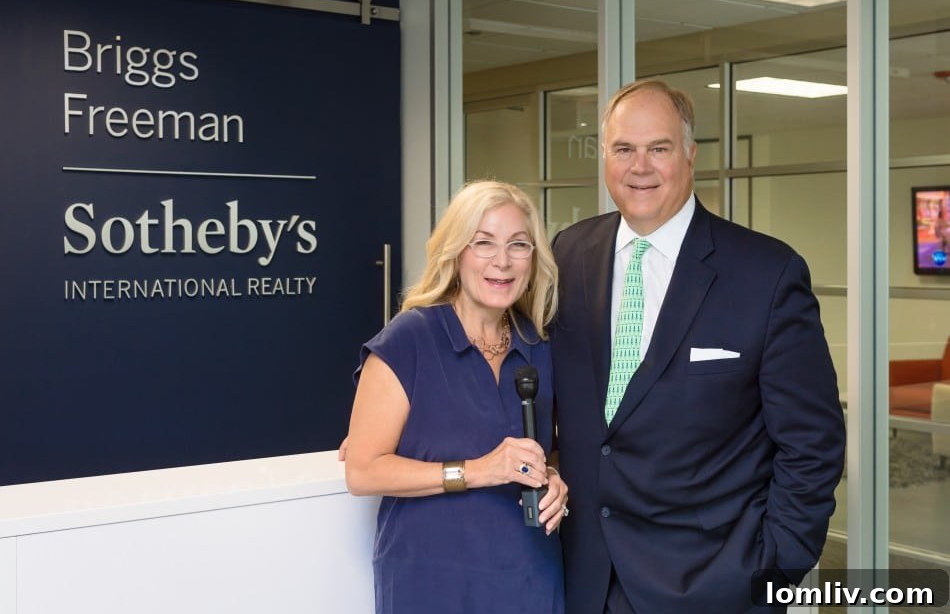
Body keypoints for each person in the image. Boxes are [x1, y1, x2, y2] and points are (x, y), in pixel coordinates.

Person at [550, 79, 846, 613]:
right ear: (605, 157)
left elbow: (813, 443)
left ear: (690, 155)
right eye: (623, 149)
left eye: (658, 148)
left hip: (713, 585)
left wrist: (770, 571)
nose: (640, 167)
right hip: (582, 579)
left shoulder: (766, 273)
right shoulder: (567, 255)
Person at [345, 179, 568, 613]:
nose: (502, 261)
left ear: (534, 257)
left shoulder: (539, 344)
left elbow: (553, 448)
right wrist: (477, 470)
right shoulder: (409, 339)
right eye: (483, 243)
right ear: (456, 252)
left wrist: (556, 479)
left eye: (518, 244)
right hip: (433, 580)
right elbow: (363, 471)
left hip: (531, 575)